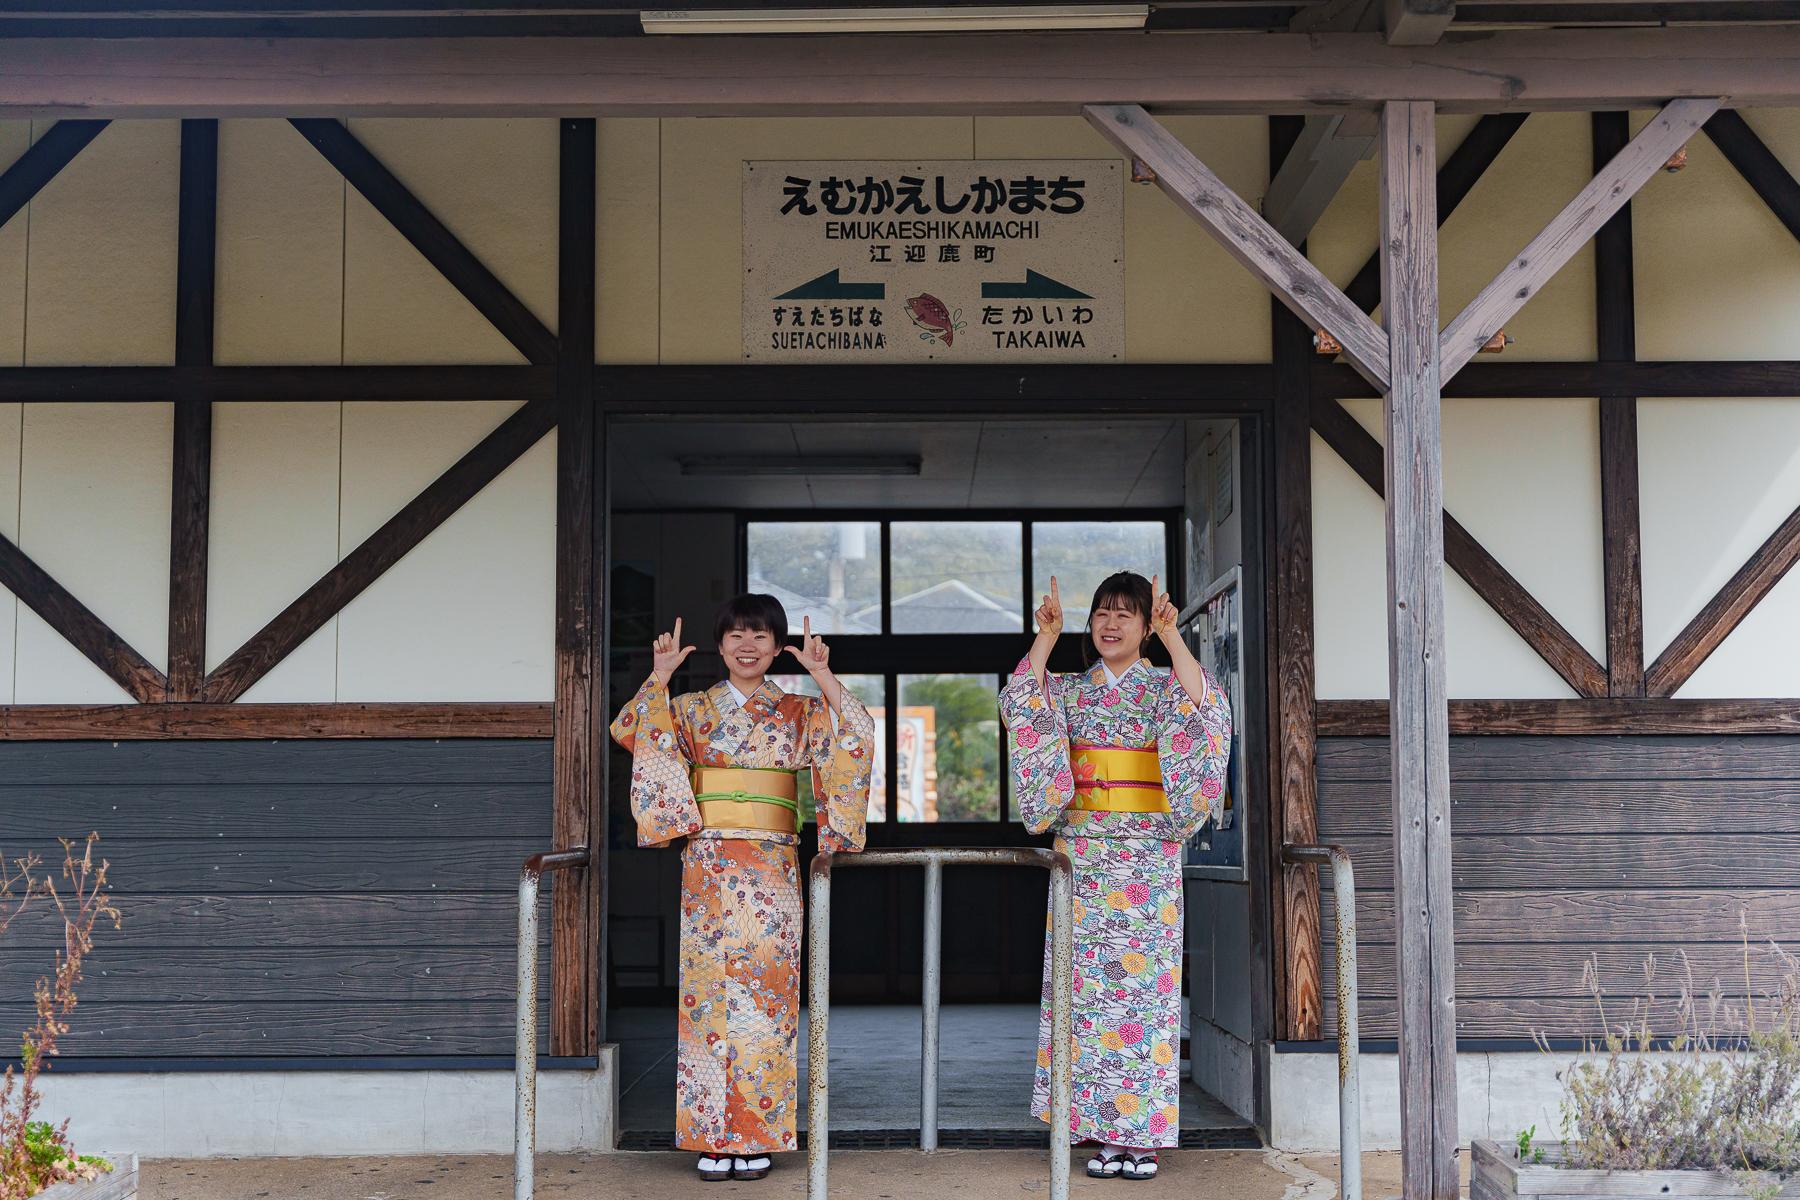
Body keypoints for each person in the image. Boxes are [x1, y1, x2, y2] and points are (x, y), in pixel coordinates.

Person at [608, 594, 875, 1182]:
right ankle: (712, 1133)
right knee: (706, 1001)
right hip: (707, 864)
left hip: (772, 866)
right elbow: (630, 729)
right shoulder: (690, 708)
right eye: (736, 635)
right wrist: (659, 675)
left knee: (766, 1001)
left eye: (760, 636)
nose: (748, 645)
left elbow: (854, 735)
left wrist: (823, 674)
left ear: (778, 647)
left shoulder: (799, 710)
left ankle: (755, 1135)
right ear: (720, 644)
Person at [999, 571, 1231, 1182]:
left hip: (1148, 858)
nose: (1110, 623)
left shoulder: (1163, 689)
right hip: (1082, 858)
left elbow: (1210, 712)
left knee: (1144, 999)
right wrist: (1044, 638)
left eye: (1125, 614)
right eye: (1101, 612)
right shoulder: (1072, 691)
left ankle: (1143, 1137)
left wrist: (1173, 637)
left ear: (1145, 626)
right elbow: (1022, 706)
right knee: (1087, 1000)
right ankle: (1101, 1132)